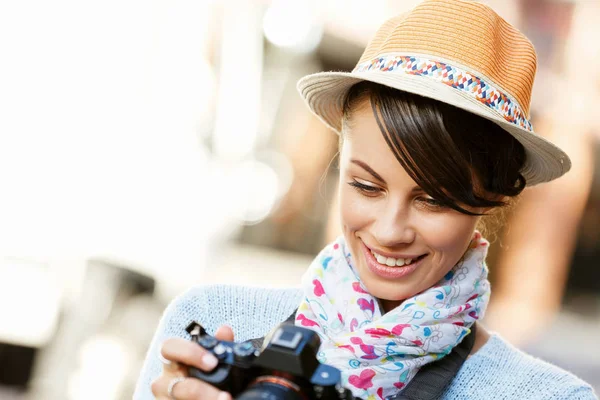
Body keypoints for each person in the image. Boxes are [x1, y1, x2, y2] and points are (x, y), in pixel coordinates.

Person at [134, 0, 597, 399]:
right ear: (339, 163)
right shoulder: (211, 320)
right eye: (366, 187)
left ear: (492, 198)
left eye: (433, 200)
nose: (390, 231)